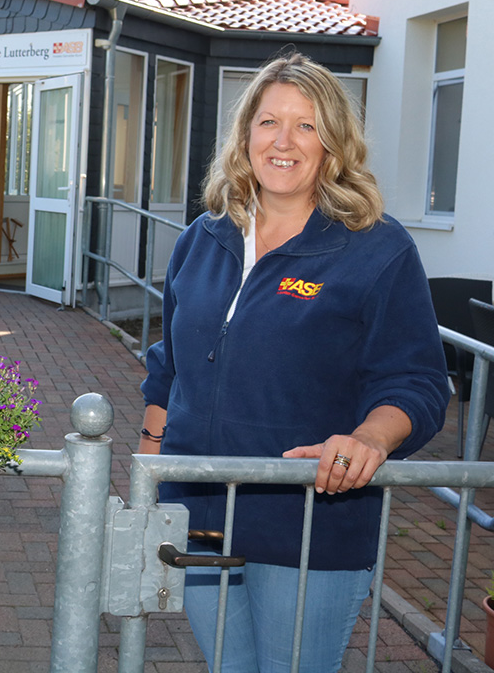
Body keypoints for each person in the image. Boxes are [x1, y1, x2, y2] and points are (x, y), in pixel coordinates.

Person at [138, 52, 449, 672]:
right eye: (269, 122)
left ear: (333, 145)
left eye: (306, 125)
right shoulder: (203, 237)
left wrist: (368, 438)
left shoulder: (376, 249)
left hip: (311, 518)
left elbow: (417, 380)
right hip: (199, 514)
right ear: (245, 134)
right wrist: (148, 470)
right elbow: (170, 365)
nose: (284, 141)